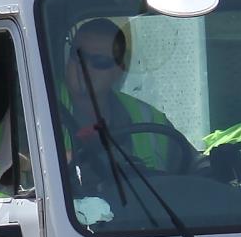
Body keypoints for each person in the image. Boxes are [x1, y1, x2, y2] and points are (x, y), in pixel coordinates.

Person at [58, 18, 186, 172]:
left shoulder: (149, 118)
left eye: (99, 61)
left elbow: (193, 165)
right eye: (78, 56)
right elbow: (22, 163)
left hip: (142, 195)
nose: (84, 66)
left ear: (118, 70)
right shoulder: (39, 106)